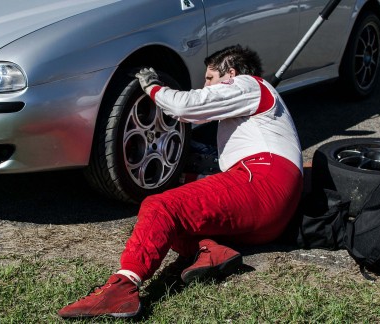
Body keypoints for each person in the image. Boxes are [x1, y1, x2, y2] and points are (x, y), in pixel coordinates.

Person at [58, 45, 303, 318]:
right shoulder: (256, 106)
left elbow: (185, 106)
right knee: (175, 222)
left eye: (210, 78)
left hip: (263, 179)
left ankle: (121, 289)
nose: (205, 85)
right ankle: (212, 251)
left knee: (161, 207)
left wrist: (153, 87)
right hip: (272, 211)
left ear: (231, 73)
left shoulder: (248, 84)